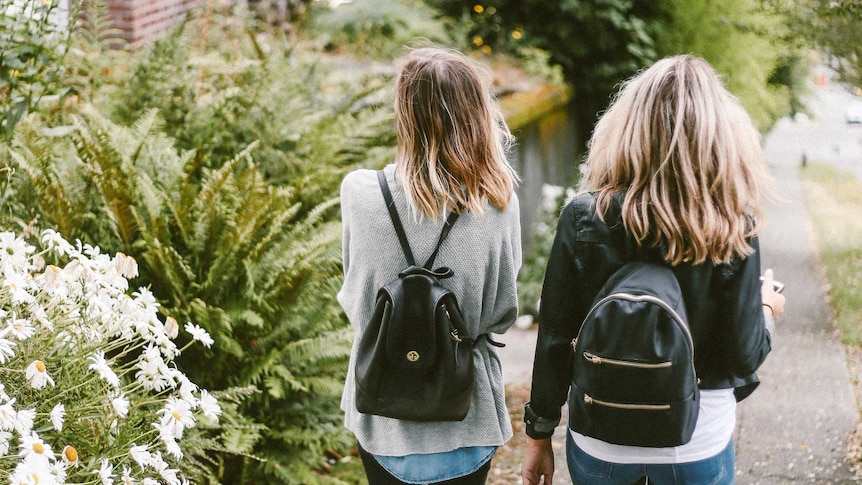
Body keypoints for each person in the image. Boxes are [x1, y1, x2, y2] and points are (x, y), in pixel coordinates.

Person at [521, 55, 786, 485]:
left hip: (600, 435)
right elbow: (742, 354)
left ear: (626, 127)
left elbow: (554, 339)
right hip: (696, 439)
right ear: (720, 135)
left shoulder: (584, 217)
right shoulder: (732, 224)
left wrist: (538, 435)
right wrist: (766, 310)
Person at [338, 46, 522, 485]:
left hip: (383, 415)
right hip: (468, 413)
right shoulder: (499, 203)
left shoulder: (360, 193)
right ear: (479, 113)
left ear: (405, 115)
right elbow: (501, 310)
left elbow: (356, 301)